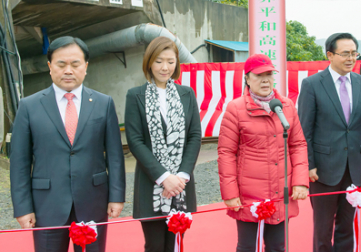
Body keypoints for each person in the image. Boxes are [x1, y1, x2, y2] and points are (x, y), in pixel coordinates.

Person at [10, 36, 126, 252]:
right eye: (61, 64)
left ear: (86, 66)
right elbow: (19, 163)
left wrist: (116, 197)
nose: (68, 70)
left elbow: (115, 156)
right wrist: (23, 208)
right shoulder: (29, 106)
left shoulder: (103, 103)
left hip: (93, 201)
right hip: (47, 205)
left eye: (75, 64)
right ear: (50, 67)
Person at [218, 53, 309, 252]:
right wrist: (230, 193)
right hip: (248, 194)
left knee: (277, 246)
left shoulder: (286, 106)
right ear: (247, 79)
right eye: (259, 75)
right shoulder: (235, 108)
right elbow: (226, 152)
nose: (265, 80)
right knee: (247, 247)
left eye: (269, 74)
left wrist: (300, 181)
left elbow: (298, 145)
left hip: (280, 191)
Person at [297, 32, 361, 252]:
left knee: (347, 225)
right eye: (345, 53)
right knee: (323, 228)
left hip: (354, 167)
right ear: (330, 55)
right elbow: (305, 130)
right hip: (323, 169)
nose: (351, 58)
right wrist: (308, 165)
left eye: (354, 53)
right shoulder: (312, 84)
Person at [125, 36, 201, 252]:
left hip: (181, 185)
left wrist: (181, 176)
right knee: (155, 245)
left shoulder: (187, 94)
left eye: (170, 61)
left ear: (177, 62)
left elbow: (194, 136)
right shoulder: (135, 95)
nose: (164, 67)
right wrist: (164, 177)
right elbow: (135, 141)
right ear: (149, 62)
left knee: (176, 244)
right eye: (159, 61)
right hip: (151, 183)